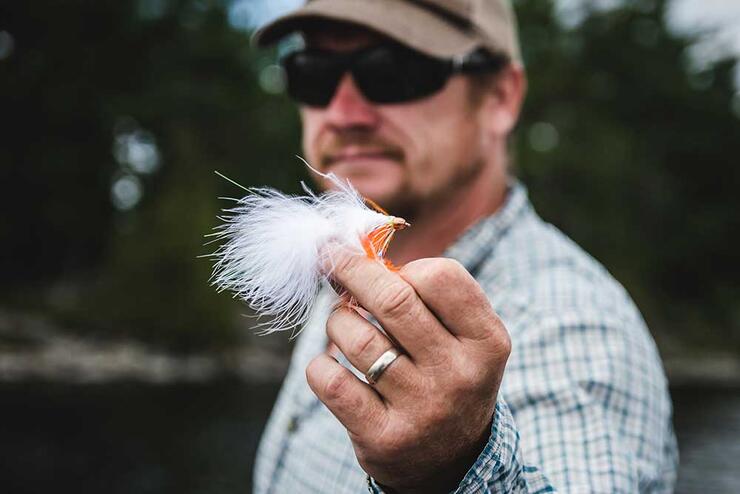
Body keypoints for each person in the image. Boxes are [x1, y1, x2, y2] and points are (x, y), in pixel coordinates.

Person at [251, 1, 678, 492]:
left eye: (393, 71)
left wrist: (449, 469)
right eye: (312, 75)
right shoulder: (348, 265)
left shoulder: (576, 331)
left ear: (500, 96)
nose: (343, 113)